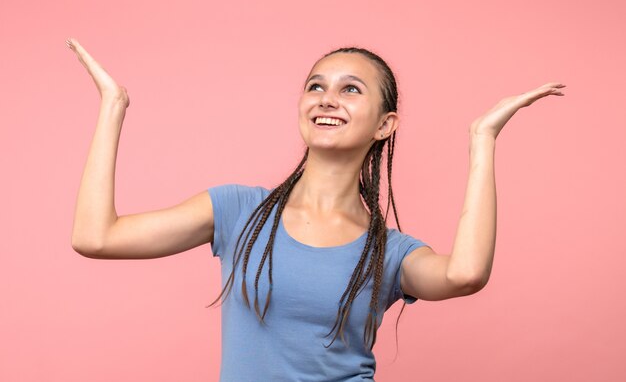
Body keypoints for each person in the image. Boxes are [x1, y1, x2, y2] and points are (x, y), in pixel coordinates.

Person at [67, 37, 565, 381]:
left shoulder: (387, 252)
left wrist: (483, 138)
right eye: (316, 85)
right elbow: (96, 237)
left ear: (385, 125)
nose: (327, 98)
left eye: (351, 89)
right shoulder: (237, 210)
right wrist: (113, 106)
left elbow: (465, 275)